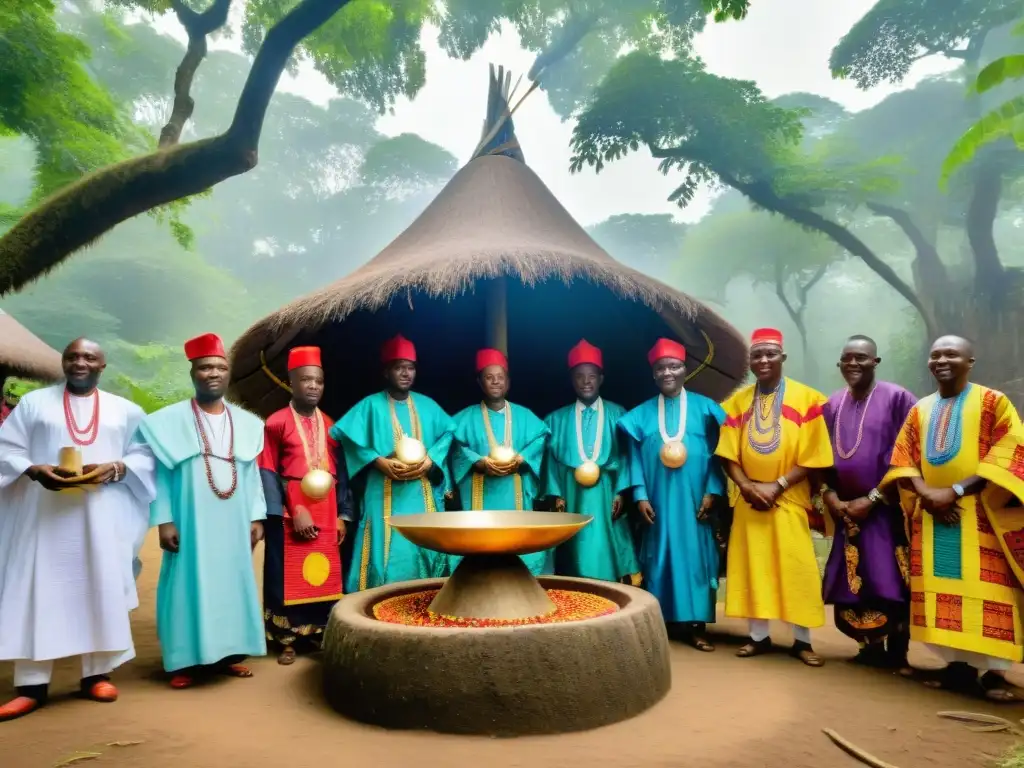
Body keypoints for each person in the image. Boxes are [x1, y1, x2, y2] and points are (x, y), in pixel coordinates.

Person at [0, 339, 155, 721]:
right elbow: (7, 447)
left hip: (100, 518)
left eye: (89, 357)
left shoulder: (125, 410)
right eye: (72, 357)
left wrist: (117, 468)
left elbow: (145, 453)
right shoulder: (34, 404)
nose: (80, 362)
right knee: (36, 591)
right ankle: (31, 686)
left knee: (98, 586)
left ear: (103, 365)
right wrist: (34, 470)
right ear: (63, 362)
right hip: (43, 516)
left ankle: (96, 675)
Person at [883, 335, 1024, 702]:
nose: (942, 359)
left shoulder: (994, 402)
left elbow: (1008, 454)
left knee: (989, 593)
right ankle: (959, 669)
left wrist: (955, 491)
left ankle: (994, 674)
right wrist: (927, 493)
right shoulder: (920, 408)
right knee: (945, 591)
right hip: (931, 517)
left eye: (951, 353)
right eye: (935, 354)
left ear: (970, 361)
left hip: (980, 515)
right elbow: (902, 457)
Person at [138, 333, 267, 689]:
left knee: (230, 583)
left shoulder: (248, 423)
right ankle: (184, 661)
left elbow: (252, 474)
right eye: (205, 367)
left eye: (220, 367)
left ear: (228, 375)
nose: (213, 373)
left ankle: (228, 655)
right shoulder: (168, 422)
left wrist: (256, 515)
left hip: (234, 518)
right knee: (186, 585)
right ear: (193, 373)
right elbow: (161, 476)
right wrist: (164, 519)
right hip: (189, 519)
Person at [716, 328, 833, 667]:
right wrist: (750, 487)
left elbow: (814, 456)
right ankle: (758, 637)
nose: (763, 360)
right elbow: (728, 456)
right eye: (757, 355)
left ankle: (802, 640)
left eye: (770, 353)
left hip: (789, 498)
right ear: (750, 361)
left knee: (796, 567)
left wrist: (777, 485)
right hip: (750, 500)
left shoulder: (808, 400)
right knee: (755, 568)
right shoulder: (736, 403)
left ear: (783, 357)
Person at [617, 338, 725, 650]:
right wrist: (639, 494)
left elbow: (719, 454)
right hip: (658, 500)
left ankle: (696, 624)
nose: (668, 372)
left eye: (674, 366)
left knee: (696, 557)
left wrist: (713, 490)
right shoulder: (640, 415)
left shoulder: (706, 409)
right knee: (659, 556)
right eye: (661, 367)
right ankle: (660, 622)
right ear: (653, 374)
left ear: (685, 369)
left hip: (695, 500)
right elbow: (634, 456)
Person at [821, 335, 916, 669]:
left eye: (861, 357)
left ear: (875, 362)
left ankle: (898, 652)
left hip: (887, 510)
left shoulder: (897, 398)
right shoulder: (832, 404)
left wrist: (873, 498)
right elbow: (820, 459)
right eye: (847, 358)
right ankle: (871, 647)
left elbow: (911, 454)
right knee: (856, 581)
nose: (853, 364)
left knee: (892, 577)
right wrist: (831, 497)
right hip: (848, 513)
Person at [331, 335, 453, 591]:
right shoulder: (370, 405)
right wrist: (376, 461)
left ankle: (425, 595)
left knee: (420, 544)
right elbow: (346, 437)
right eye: (399, 367)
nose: (406, 373)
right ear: (386, 372)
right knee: (384, 544)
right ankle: (377, 600)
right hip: (383, 489)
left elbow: (449, 433)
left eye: (410, 367)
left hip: (419, 491)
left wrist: (431, 461)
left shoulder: (428, 405)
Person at [259, 346, 354, 665]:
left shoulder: (331, 425)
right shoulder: (275, 423)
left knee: (321, 570)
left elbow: (340, 473)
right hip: (290, 512)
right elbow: (268, 470)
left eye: (318, 381)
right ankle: (286, 638)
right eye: (305, 380)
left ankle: (313, 633)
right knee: (286, 572)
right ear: (291, 382)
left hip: (326, 509)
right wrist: (291, 510)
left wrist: (342, 515)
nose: (313, 386)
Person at [544, 340, 639, 583]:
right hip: (570, 492)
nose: (586, 381)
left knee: (605, 542)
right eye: (579, 376)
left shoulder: (619, 415)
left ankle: (608, 590)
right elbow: (551, 462)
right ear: (571, 379)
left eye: (592, 376)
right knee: (573, 545)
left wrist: (620, 492)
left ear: (601, 378)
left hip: (606, 493)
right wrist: (556, 495)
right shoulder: (556, 419)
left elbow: (626, 457)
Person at [451, 349, 551, 574]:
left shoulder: (525, 416)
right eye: (489, 377)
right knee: (481, 549)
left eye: (500, 377)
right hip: (480, 493)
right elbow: (455, 447)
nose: (495, 382)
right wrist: (476, 462)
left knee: (515, 545)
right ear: (479, 382)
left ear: (508, 382)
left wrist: (522, 459)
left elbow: (542, 438)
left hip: (513, 490)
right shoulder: (464, 418)